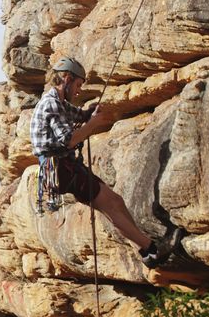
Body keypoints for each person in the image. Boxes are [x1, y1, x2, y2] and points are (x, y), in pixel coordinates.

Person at [30, 57, 181, 268]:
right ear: (66, 78)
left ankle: (144, 249)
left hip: (63, 168)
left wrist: (89, 113)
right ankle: (152, 250)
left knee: (116, 202)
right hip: (61, 168)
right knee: (110, 206)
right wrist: (92, 124)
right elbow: (69, 139)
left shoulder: (59, 103)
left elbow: (79, 115)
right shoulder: (52, 103)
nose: (79, 90)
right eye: (78, 84)